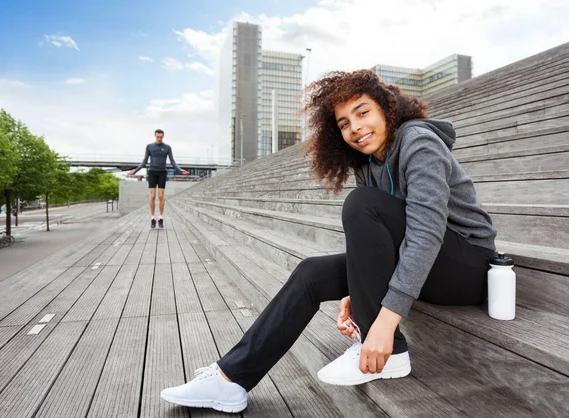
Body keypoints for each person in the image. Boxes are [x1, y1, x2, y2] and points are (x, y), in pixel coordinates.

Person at [160, 70, 497, 413]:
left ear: (387, 109)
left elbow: (426, 232)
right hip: (428, 265)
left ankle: (388, 349)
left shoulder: (418, 142)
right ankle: (231, 380)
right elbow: (382, 242)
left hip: (469, 266)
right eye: (344, 123)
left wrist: (382, 322)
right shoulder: (368, 163)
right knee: (312, 273)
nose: (356, 128)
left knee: (362, 204)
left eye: (363, 112)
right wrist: (362, 288)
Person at [128, 129, 189, 229]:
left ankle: (160, 218)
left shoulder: (167, 147)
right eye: (157, 137)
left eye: (161, 137)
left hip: (162, 173)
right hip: (152, 172)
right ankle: (152, 218)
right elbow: (144, 162)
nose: (159, 138)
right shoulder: (149, 147)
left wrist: (180, 170)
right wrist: (135, 171)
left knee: (160, 196)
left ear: (163, 136)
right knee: (152, 196)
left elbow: (173, 162)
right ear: (155, 136)